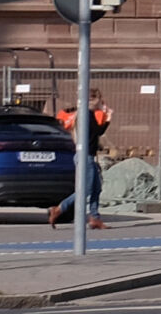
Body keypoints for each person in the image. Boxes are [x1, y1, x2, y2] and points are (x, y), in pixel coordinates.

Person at [49, 91, 111, 229]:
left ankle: (95, 218)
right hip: (85, 157)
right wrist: (107, 117)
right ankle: (59, 208)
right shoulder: (86, 114)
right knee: (86, 189)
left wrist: (106, 118)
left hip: (87, 156)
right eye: (100, 101)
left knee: (96, 188)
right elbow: (97, 132)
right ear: (92, 100)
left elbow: (95, 132)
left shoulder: (85, 114)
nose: (101, 104)